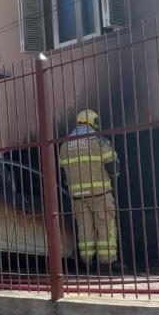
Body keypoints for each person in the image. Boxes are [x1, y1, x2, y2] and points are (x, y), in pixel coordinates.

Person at [59, 109, 120, 271]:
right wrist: (113, 179)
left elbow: (62, 173)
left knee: (84, 228)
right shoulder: (99, 141)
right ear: (93, 122)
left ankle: (87, 262)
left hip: (77, 196)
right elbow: (113, 166)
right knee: (105, 226)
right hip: (100, 194)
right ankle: (107, 264)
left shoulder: (64, 145)